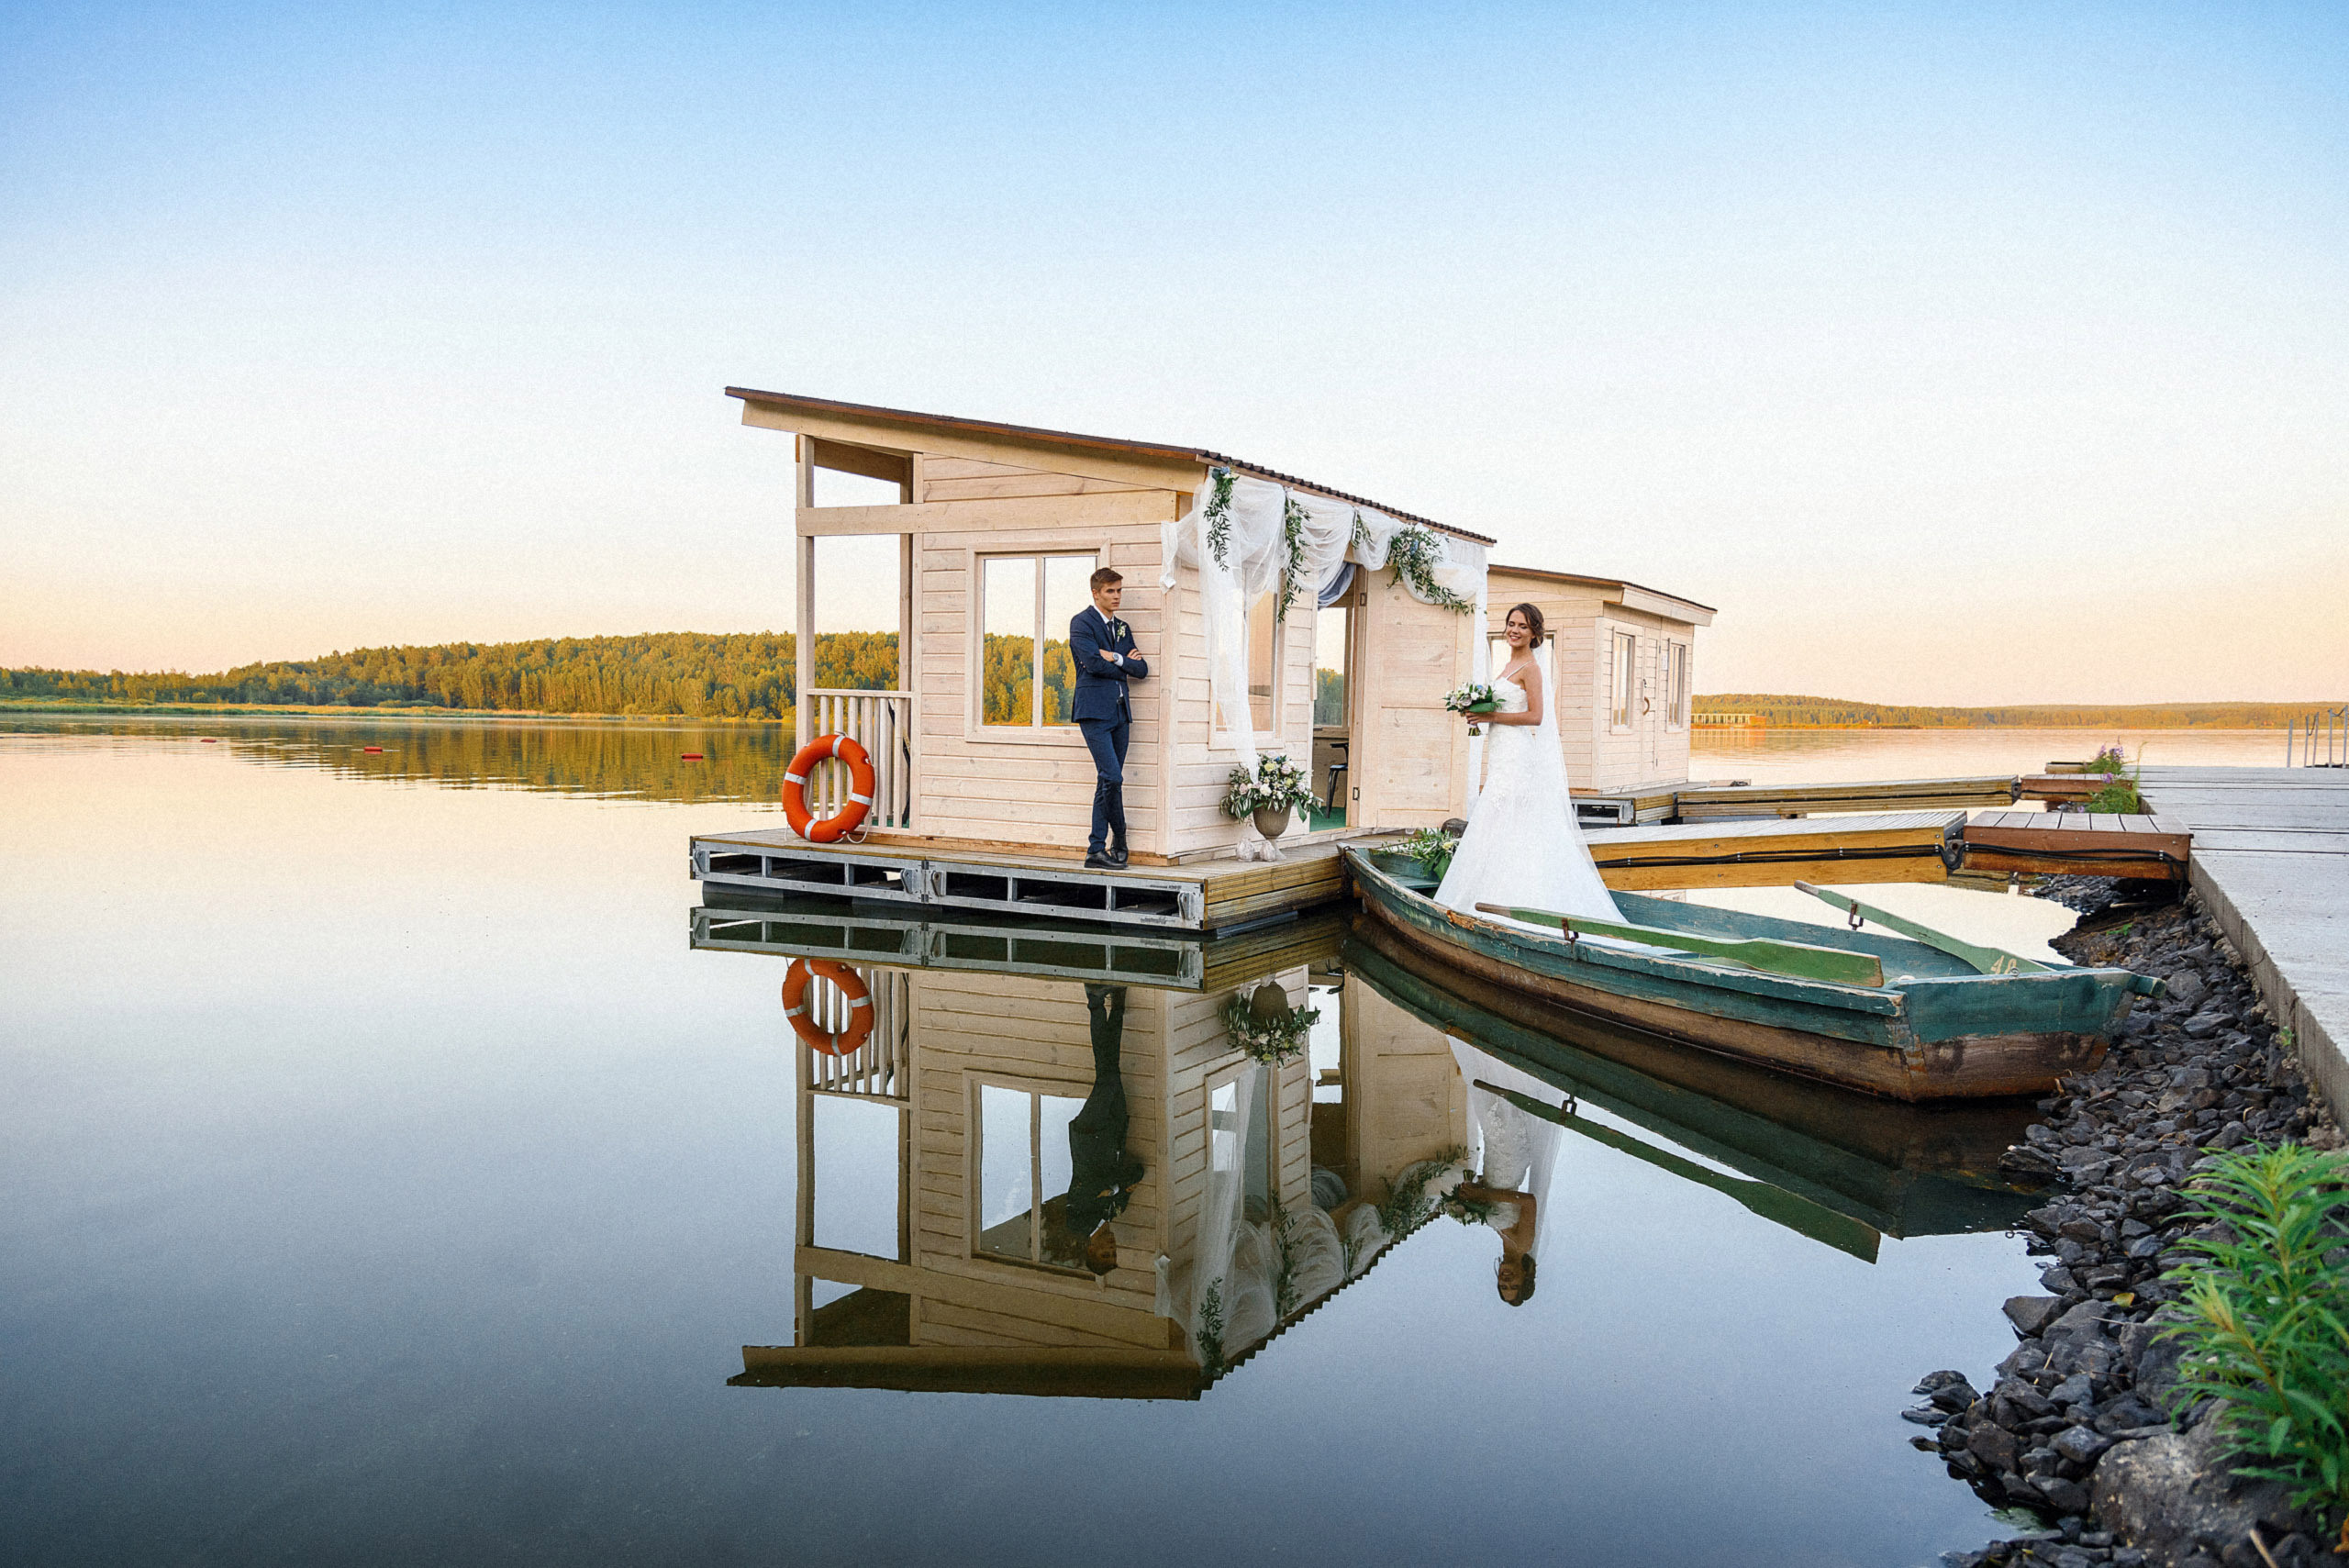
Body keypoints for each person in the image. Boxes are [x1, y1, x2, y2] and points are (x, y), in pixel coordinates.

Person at [1434, 602, 1620, 926]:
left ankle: (1518, 902)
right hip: (1501, 754)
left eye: (1521, 626)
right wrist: (1476, 713)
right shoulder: (1507, 666)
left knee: (1512, 819)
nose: (1514, 630)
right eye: (1510, 624)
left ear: (1534, 633)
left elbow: (1536, 716)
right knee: (1495, 820)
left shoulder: (1532, 668)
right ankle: (1483, 896)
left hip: (1519, 757)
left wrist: (1492, 715)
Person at [1063, 983, 1143, 1277]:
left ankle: (1098, 1001)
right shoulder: (1113, 1213)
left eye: (1104, 1252)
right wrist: (1117, 1186)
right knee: (1110, 1069)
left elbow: (1099, 1187)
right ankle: (1113, 1003)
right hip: (1115, 1127)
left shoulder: (1080, 1223)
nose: (1111, 1245)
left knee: (1107, 1076)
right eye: (1113, 1251)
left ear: (1091, 1250)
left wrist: (1115, 1188)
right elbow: (1137, 1173)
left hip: (1090, 1134)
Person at [1071, 567, 1149, 869]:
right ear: (1096, 593)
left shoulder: (1122, 628)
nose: (1116, 597)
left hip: (1120, 713)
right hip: (1093, 711)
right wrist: (1125, 663)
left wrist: (1115, 656)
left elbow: (1142, 670)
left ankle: (1098, 848)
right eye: (1110, 591)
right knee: (1113, 777)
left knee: (1108, 780)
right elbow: (1091, 664)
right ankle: (1115, 839)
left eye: (1119, 591)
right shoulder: (1082, 623)